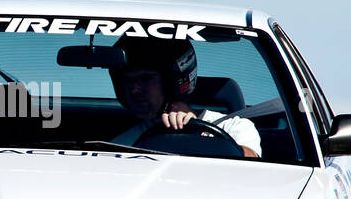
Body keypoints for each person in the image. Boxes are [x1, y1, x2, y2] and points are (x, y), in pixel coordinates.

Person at [107, 37, 261, 158]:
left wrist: (192, 128)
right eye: (128, 81)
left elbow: (250, 162)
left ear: (170, 83)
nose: (134, 89)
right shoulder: (124, 142)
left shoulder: (234, 126)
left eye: (145, 79)